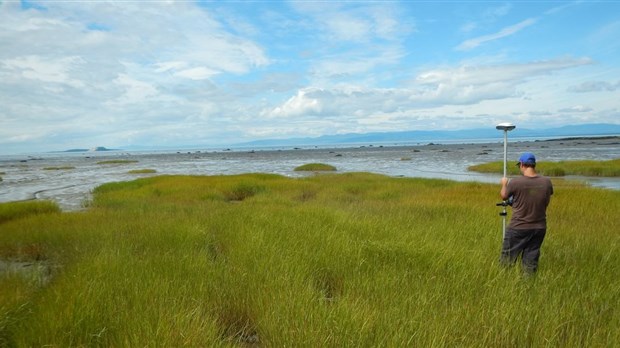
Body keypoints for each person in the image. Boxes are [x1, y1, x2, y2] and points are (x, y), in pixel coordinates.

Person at [499, 152, 553, 274]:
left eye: (519, 166)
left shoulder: (515, 182)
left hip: (518, 227)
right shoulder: (546, 182)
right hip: (539, 227)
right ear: (534, 165)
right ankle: (528, 285)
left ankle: (503, 282)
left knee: (507, 259)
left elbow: (504, 196)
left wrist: (504, 184)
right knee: (530, 261)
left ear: (522, 165)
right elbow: (544, 200)